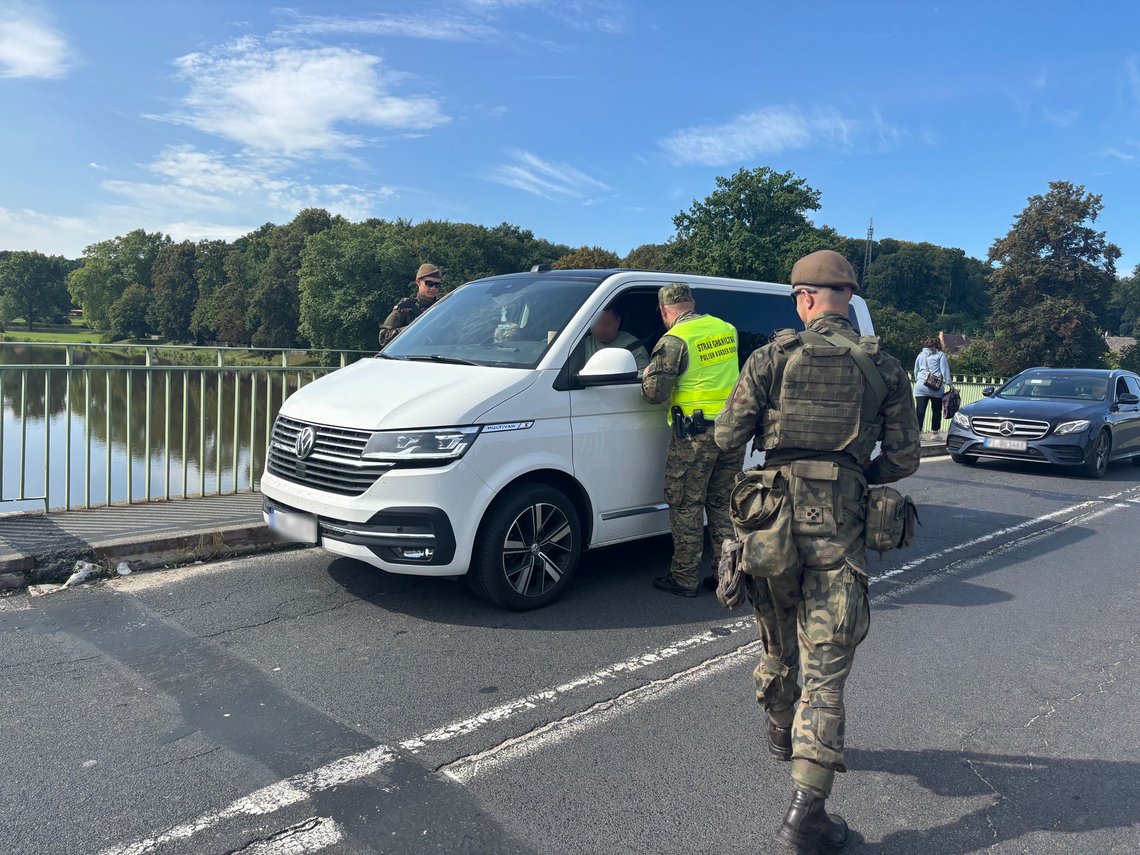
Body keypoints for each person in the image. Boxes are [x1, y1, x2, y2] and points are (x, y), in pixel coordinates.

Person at [714, 250, 920, 852]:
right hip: (841, 522)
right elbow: (905, 458)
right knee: (826, 668)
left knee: (778, 640)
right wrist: (855, 471)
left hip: (771, 519)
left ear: (804, 298)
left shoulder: (771, 357)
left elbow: (728, 435)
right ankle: (807, 813)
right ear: (848, 299)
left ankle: (781, 729)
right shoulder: (883, 364)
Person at [641, 283, 744, 597]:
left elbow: (654, 394)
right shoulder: (727, 328)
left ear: (663, 310)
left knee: (686, 504)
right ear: (692, 303)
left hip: (695, 437)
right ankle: (724, 576)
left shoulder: (674, 340)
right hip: (731, 431)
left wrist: (647, 373)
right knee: (723, 505)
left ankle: (684, 577)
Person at [378, 263, 442, 348]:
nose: (433, 288)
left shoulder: (443, 307)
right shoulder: (405, 307)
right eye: (429, 283)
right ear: (418, 282)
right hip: (410, 358)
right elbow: (383, 338)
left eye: (437, 285)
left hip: (439, 357)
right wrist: (412, 329)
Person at [584, 307, 650, 373]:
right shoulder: (582, 344)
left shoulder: (634, 346)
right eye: (596, 324)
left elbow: (643, 375)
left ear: (618, 321)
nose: (600, 330)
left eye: (606, 324)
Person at [913, 337, 952, 434]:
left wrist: (918, 380)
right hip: (936, 387)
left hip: (921, 385)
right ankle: (934, 433)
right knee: (936, 410)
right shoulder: (940, 355)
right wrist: (949, 384)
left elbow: (916, 370)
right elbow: (944, 370)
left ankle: (918, 432)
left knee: (920, 411)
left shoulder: (921, 355)